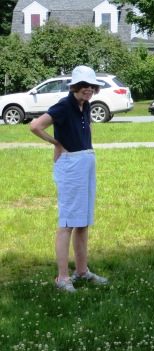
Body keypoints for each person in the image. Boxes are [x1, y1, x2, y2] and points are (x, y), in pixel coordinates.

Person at [30, 65, 108, 292]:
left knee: (83, 221)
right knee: (67, 223)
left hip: (85, 161)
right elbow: (35, 126)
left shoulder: (86, 105)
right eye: (85, 85)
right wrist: (57, 143)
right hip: (70, 165)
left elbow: (88, 129)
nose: (89, 89)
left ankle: (82, 271)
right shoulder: (64, 105)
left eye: (92, 86)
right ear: (75, 86)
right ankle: (62, 278)